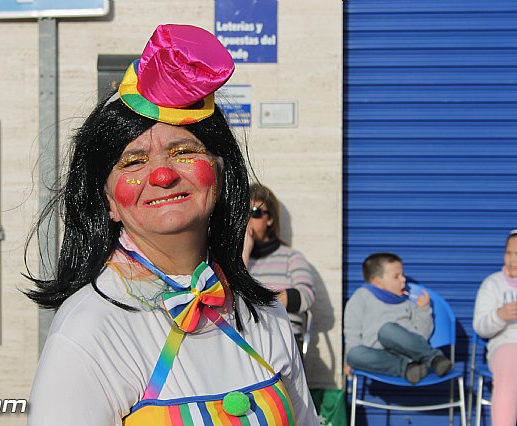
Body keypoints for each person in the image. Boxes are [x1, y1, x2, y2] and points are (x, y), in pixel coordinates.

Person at [25, 24, 319, 425]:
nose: (162, 175)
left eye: (183, 151)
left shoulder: (265, 314)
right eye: (133, 161)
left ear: (220, 174)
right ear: (108, 200)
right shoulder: (89, 330)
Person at [343, 252, 451, 384]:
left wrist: (423, 310)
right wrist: (350, 361)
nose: (403, 279)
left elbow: (422, 335)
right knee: (354, 355)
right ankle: (408, 369)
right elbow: (352, 332)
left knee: (387, 330)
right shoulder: (361, 298)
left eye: (403, 275)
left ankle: (433, 359)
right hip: (378, 357)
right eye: (397, 276)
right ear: (377, 283)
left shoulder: (407, 303)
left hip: (411, 352)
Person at [244, 184, 316, 350]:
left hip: (283, 338)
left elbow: (306, 296)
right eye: (243, 212)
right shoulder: (234, 260)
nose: (248, 220)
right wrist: (243, 253)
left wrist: (254, 298)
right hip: (246, 340)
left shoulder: (291, 257)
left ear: (270, 219)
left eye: (255, 212)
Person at [473, 229, 517, 426]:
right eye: (508, 253)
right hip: (505, 345)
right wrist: (499, 316)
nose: (512, 259)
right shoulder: (493, 284)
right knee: (510, 368)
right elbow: (481, 327)